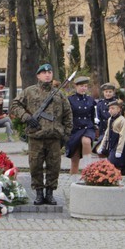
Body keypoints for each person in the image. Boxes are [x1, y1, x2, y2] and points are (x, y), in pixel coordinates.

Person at [10, 63, 72, 206]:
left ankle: (50, 193)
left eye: (49, 72)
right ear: (38, 75)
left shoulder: (59, 94)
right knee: (35, 165)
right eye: (44, 72)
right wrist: (26, 117)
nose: (47, 74)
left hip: (54, 136)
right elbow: (15, 105)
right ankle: (38, 192)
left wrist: (66, 133)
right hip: (36, 136)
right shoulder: (29, 91)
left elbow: (68, 114)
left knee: (54, 166)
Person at [66, 76, 96, 179]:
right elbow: (67, 116)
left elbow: (93, 115)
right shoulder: (70, 100)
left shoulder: (91, 100)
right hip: (75, 129)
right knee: (75, 159)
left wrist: (95, 126)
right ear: (76, 86)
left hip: (88, 127)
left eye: (85, 86)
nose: (83, 88)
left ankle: (88, 169)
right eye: (81, 86)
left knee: (86, 141)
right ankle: (73, 182)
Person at [96, 99, 125, 175]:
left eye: (113, 108)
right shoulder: (110, 119)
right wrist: (102, 146)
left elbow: (122, 136)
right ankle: (114, 180)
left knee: (115, 164)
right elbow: (107, 133)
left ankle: (117, 180)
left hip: (119, 144)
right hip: (112, 144)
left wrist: (119, 150)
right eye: (109, 108)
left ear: (118, 109)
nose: (110, 110)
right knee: (112, 164)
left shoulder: (122, 120)